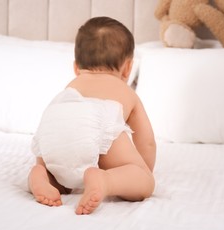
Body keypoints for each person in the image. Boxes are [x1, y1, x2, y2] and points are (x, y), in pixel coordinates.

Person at [28, 16, 156, 215]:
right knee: (144, 181)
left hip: (55, 122)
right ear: (128, 67)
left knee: (60, 175)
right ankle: (106, 180)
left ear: (76, 67)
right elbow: (146, 141)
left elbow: (70, 131)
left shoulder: (71, 87)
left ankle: (42, 175)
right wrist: (141, 172)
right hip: (98, 120)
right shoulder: (125, 91)